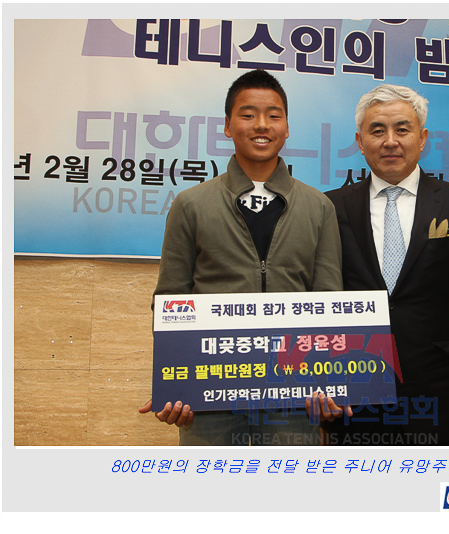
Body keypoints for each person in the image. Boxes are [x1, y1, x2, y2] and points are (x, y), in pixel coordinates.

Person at [139, 69, 343, 445]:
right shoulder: (191, 205)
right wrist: (173, 381)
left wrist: (329, 382)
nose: (261, 124)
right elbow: (170, 299)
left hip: (294, 392)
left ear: (286, 127)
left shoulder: (319, 208)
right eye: (248, 115)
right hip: (210, 390)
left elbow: (329, 300)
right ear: (227, 126)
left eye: (273, 115)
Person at [313, 84, 449, 446]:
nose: (390, 141)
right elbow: (318, 302)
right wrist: (321, 381)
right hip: (354, 393)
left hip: (440, 391)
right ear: (359, 141)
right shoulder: (330, 207)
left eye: (402, 129)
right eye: (377, 130)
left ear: (422, 138)